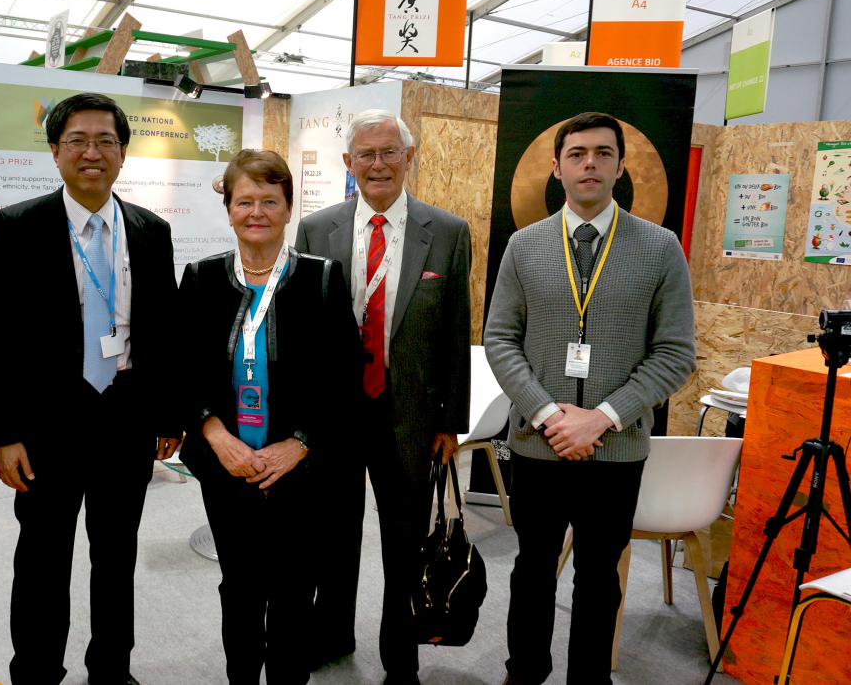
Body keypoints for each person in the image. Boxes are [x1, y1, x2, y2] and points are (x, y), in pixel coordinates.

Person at [483, 112, 696, 685]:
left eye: (603, 153)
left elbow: (675, 353)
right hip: (538, 443)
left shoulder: (658, 247)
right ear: (556, 169)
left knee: (600, 577)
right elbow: (500, 339)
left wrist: (600, 419)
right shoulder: (525, 246)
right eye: (577, 154)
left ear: (621, 167)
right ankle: (524, 672)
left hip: (617, 449)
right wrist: (550, 415)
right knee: (532, 570)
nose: (590, 164)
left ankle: (588, 679)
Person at [0, 92, 182, 685]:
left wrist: (168, 416)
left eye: (105, 142)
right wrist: (5, 432)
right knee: (42, 561)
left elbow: (164, 328)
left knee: (116, 559)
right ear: (54, 151)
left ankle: (111, 671)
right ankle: (38, 672)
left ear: (123, 153)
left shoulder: (151, 230)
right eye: (77, 141)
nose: (91, 153)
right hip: (46, 426)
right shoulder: (19, 225)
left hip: (125, 418)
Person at [295, 109, 472, 682]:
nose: (377, 165)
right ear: (348, 164)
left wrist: (452, 421)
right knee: (332, 536)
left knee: (404, 543)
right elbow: (303, 331)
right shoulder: (316, 229)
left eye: (389, 152)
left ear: (408, 157)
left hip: (412, 417)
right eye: (366, 155)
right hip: (335, 417)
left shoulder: (446, 232)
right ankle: (331, 634)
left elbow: (455, 331)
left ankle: (402, 654)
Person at [179, 150, 360, 685]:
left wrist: (300, 443)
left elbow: (342, 378)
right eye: (244, 201)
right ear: (229, 210)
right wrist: (216, 436)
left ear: (287, 209)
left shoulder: (322, 278)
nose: (256, 212)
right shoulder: (201, 278)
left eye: (269, 201)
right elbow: (183, 370)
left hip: (301, 471)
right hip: (225, 466)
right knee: (238, 586)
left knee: (292, 588)